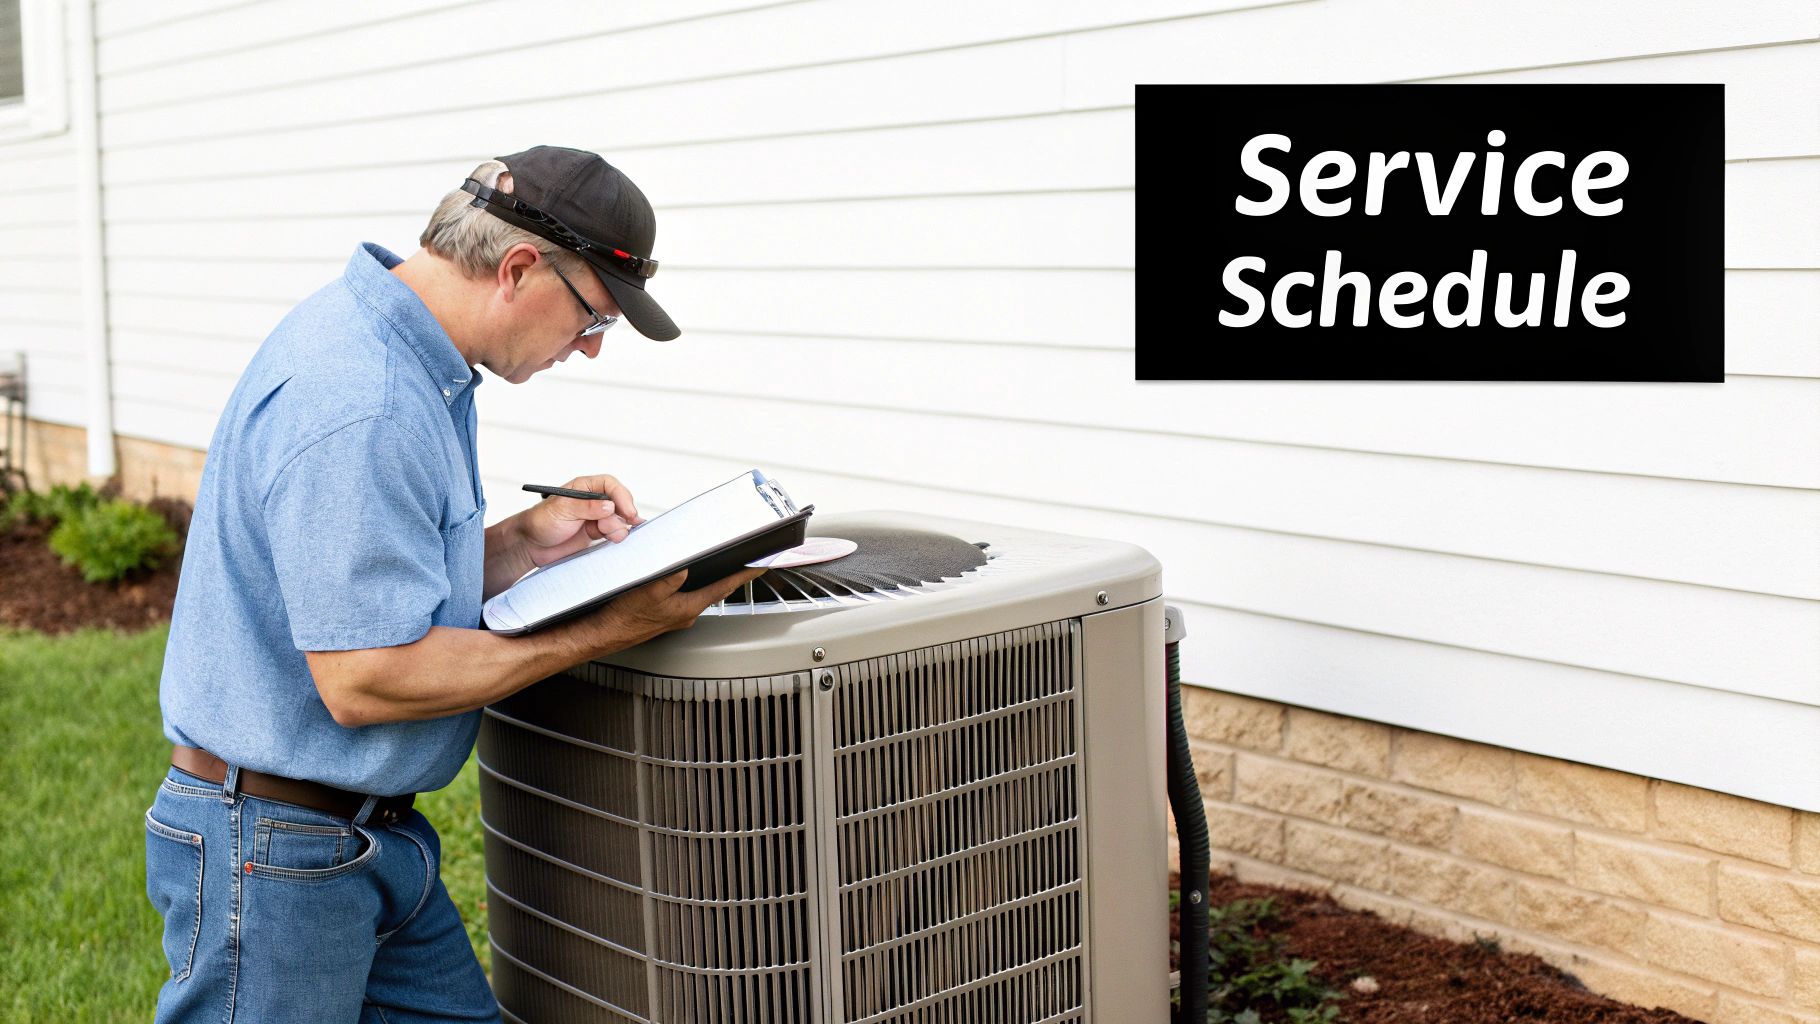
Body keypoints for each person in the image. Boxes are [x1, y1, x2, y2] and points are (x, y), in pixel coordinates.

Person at [143, 145, 764, 1023]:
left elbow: (366, 582)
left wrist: (525, 543)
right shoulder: (364, 396)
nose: (588, 351)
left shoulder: (409, 361)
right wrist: (607, 627)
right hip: (275, 852)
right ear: (518, 268)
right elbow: (364, 674)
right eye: (593, 318)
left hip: (361, 837)